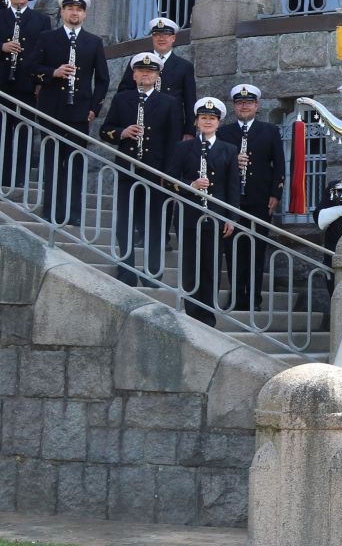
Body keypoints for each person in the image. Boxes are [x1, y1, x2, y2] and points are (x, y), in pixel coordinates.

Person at [99, 53, 183, 287]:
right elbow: (105, 131)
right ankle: (126, 270)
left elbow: (174, 142)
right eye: (141, 71)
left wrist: (168, 176)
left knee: (154, 224)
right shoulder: (122, 99)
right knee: (124, 222)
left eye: (151, 72)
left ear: (157, 76)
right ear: (134, 74)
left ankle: (153, 274)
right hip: (127, 169)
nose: (145, 75)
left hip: (156, 173)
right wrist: (122, 133)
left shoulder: (169, 102)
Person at [27, 0, 110, 225]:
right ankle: (51, 211)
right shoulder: (47, 38)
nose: (75, 12)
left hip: (80, 112)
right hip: (51, 109)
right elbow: (30, 67)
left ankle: (74, 214)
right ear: (62, 11)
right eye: (70, 8)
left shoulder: (93, 42)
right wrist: (53, 72)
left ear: (84, 14)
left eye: (80, 9)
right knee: (52, 162)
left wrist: (95, 108)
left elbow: (103, 79)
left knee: (75, 162)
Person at [171, 97, 240, 326]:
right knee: (190, 264)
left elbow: (232, 187)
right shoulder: (183, 148)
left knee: (211, 266)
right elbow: (170, 179)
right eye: (203, 118)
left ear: (218, 123)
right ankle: (191, 311)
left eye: (212, 118)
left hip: (215, 215)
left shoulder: (229, 150)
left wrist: (231, 217)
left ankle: (208, 316)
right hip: (189, 214)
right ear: (196, 122)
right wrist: (191, 185)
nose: (207, 122)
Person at [216, 84, 285, 312]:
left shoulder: (269, 131)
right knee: (233, 251)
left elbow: (279, 165)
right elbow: (216, 165)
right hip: (232, 201)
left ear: (257, 106)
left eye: (248, 103)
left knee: (256, 251)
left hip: (259, 199)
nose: (244, 106)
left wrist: (275, 194)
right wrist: (233, 162)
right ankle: (236, 297)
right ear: (234, 106)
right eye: (239, 103)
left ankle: (254, 299)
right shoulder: (224, 132)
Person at [0, 0, 51, 186]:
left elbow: (46, 52)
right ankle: (2, 179)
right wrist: (1, 47)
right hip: (1, 84)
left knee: (25, 134)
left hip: (28, 85)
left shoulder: (41, 19)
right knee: (1, 134)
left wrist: (40, 82)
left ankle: (20, 181)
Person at [117, 17, 198, 138]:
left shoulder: (184, 66)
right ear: (152, 38)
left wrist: (189, 131)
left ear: (173, 38)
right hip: (140, 123)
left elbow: (190, 101)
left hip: (172, 124)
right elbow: (124, 92)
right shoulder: (138, 62)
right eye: (157, 35)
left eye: (166, 34)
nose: (161, 38)